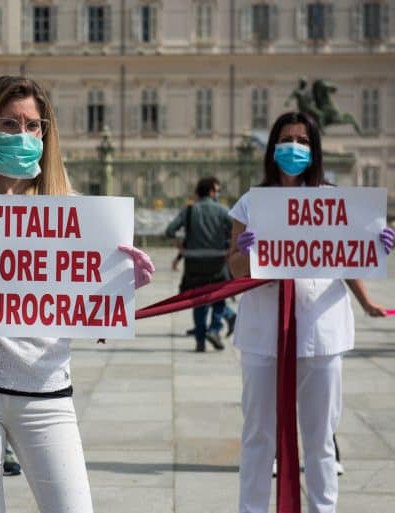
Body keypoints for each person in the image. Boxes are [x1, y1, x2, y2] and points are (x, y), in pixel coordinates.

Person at [0, 75, 156, 513]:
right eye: (9, 124)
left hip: (47, 390)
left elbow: (87, 307)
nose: (22, 136)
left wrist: (118, 287)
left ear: (46, 134)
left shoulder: (76, 214)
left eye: (33, 126)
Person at [227, 111, 394, 513]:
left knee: (320, 438)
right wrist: (246, 253)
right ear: (272, 147)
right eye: (287, 139)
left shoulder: (335, 202)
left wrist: (374, 254)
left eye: (303, 141)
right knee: (258, 435)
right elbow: (232, 268)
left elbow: (346, 262)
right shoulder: (251, 203)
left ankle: (323, 509)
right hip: (264, 334)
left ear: (314, 149)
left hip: (323, 330)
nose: (294, 148)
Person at [165, 176, 234, 351]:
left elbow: (170, 230)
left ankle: (200, 339)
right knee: (219, 298)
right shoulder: (223, 211)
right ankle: (214, 329)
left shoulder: (189, 211)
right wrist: (230, 250)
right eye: (217, 191)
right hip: (217, 261)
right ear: (211, 192)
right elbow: (237, 231)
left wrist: (181, 247)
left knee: (198, 300)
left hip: (194, 261)